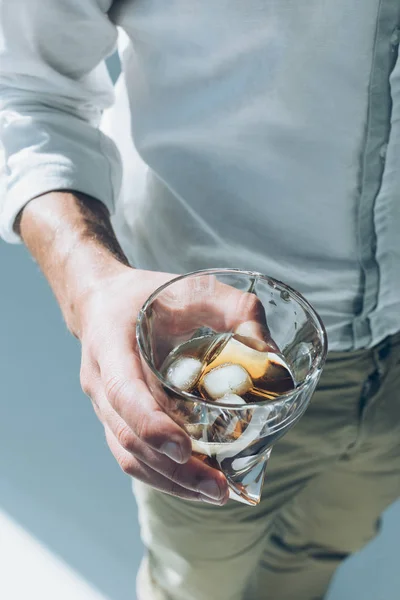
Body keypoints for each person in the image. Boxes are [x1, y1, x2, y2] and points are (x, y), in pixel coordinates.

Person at [1, 2, 400, 599]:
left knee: (326, 541)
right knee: (197, 583)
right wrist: (93, 287)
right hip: (220, 367)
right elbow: (23, 91)